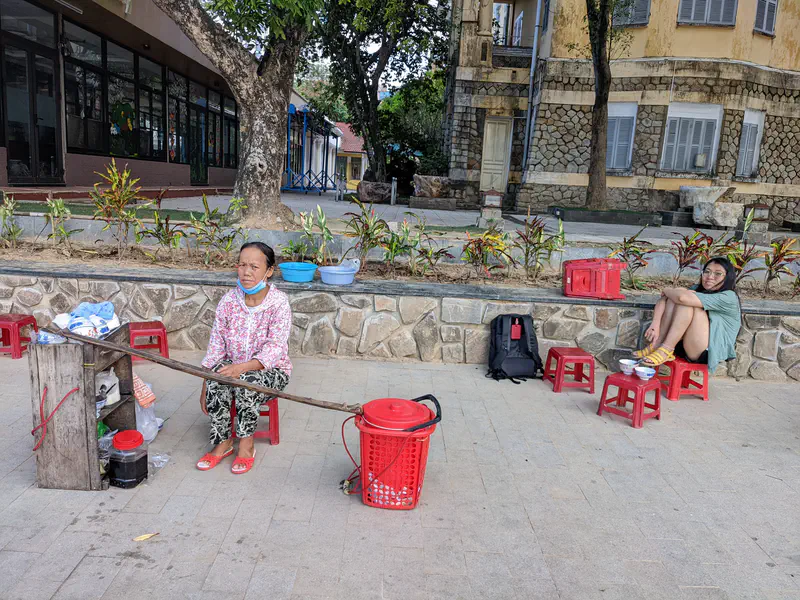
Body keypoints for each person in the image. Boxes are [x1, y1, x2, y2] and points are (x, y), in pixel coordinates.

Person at [196, 242, 292, 474]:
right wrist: (205, 382)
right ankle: (224, 442)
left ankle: (246, 445)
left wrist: (242, 368)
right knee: (218, 378)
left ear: (268, 271)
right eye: (242, 265)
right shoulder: (229, 301)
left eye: (254, 267)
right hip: (233, 366)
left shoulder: (278, 303)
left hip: (272, 371)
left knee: (246, 383)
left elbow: (275, 348)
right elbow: (217, 345)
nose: (246, 272)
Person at [633, 257, 741, 372]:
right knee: (676, 297)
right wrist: (655, 323)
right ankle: (657, 344)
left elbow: (682, 298)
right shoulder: (697, 288)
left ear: (727, 278)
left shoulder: (729, 297)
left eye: (718, 274)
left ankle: (666, 349)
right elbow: (664, 300)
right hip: (685, 344)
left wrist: (666, 290)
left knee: (687, 302)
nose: (710, 277)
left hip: (707, 351)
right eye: (707, 272)